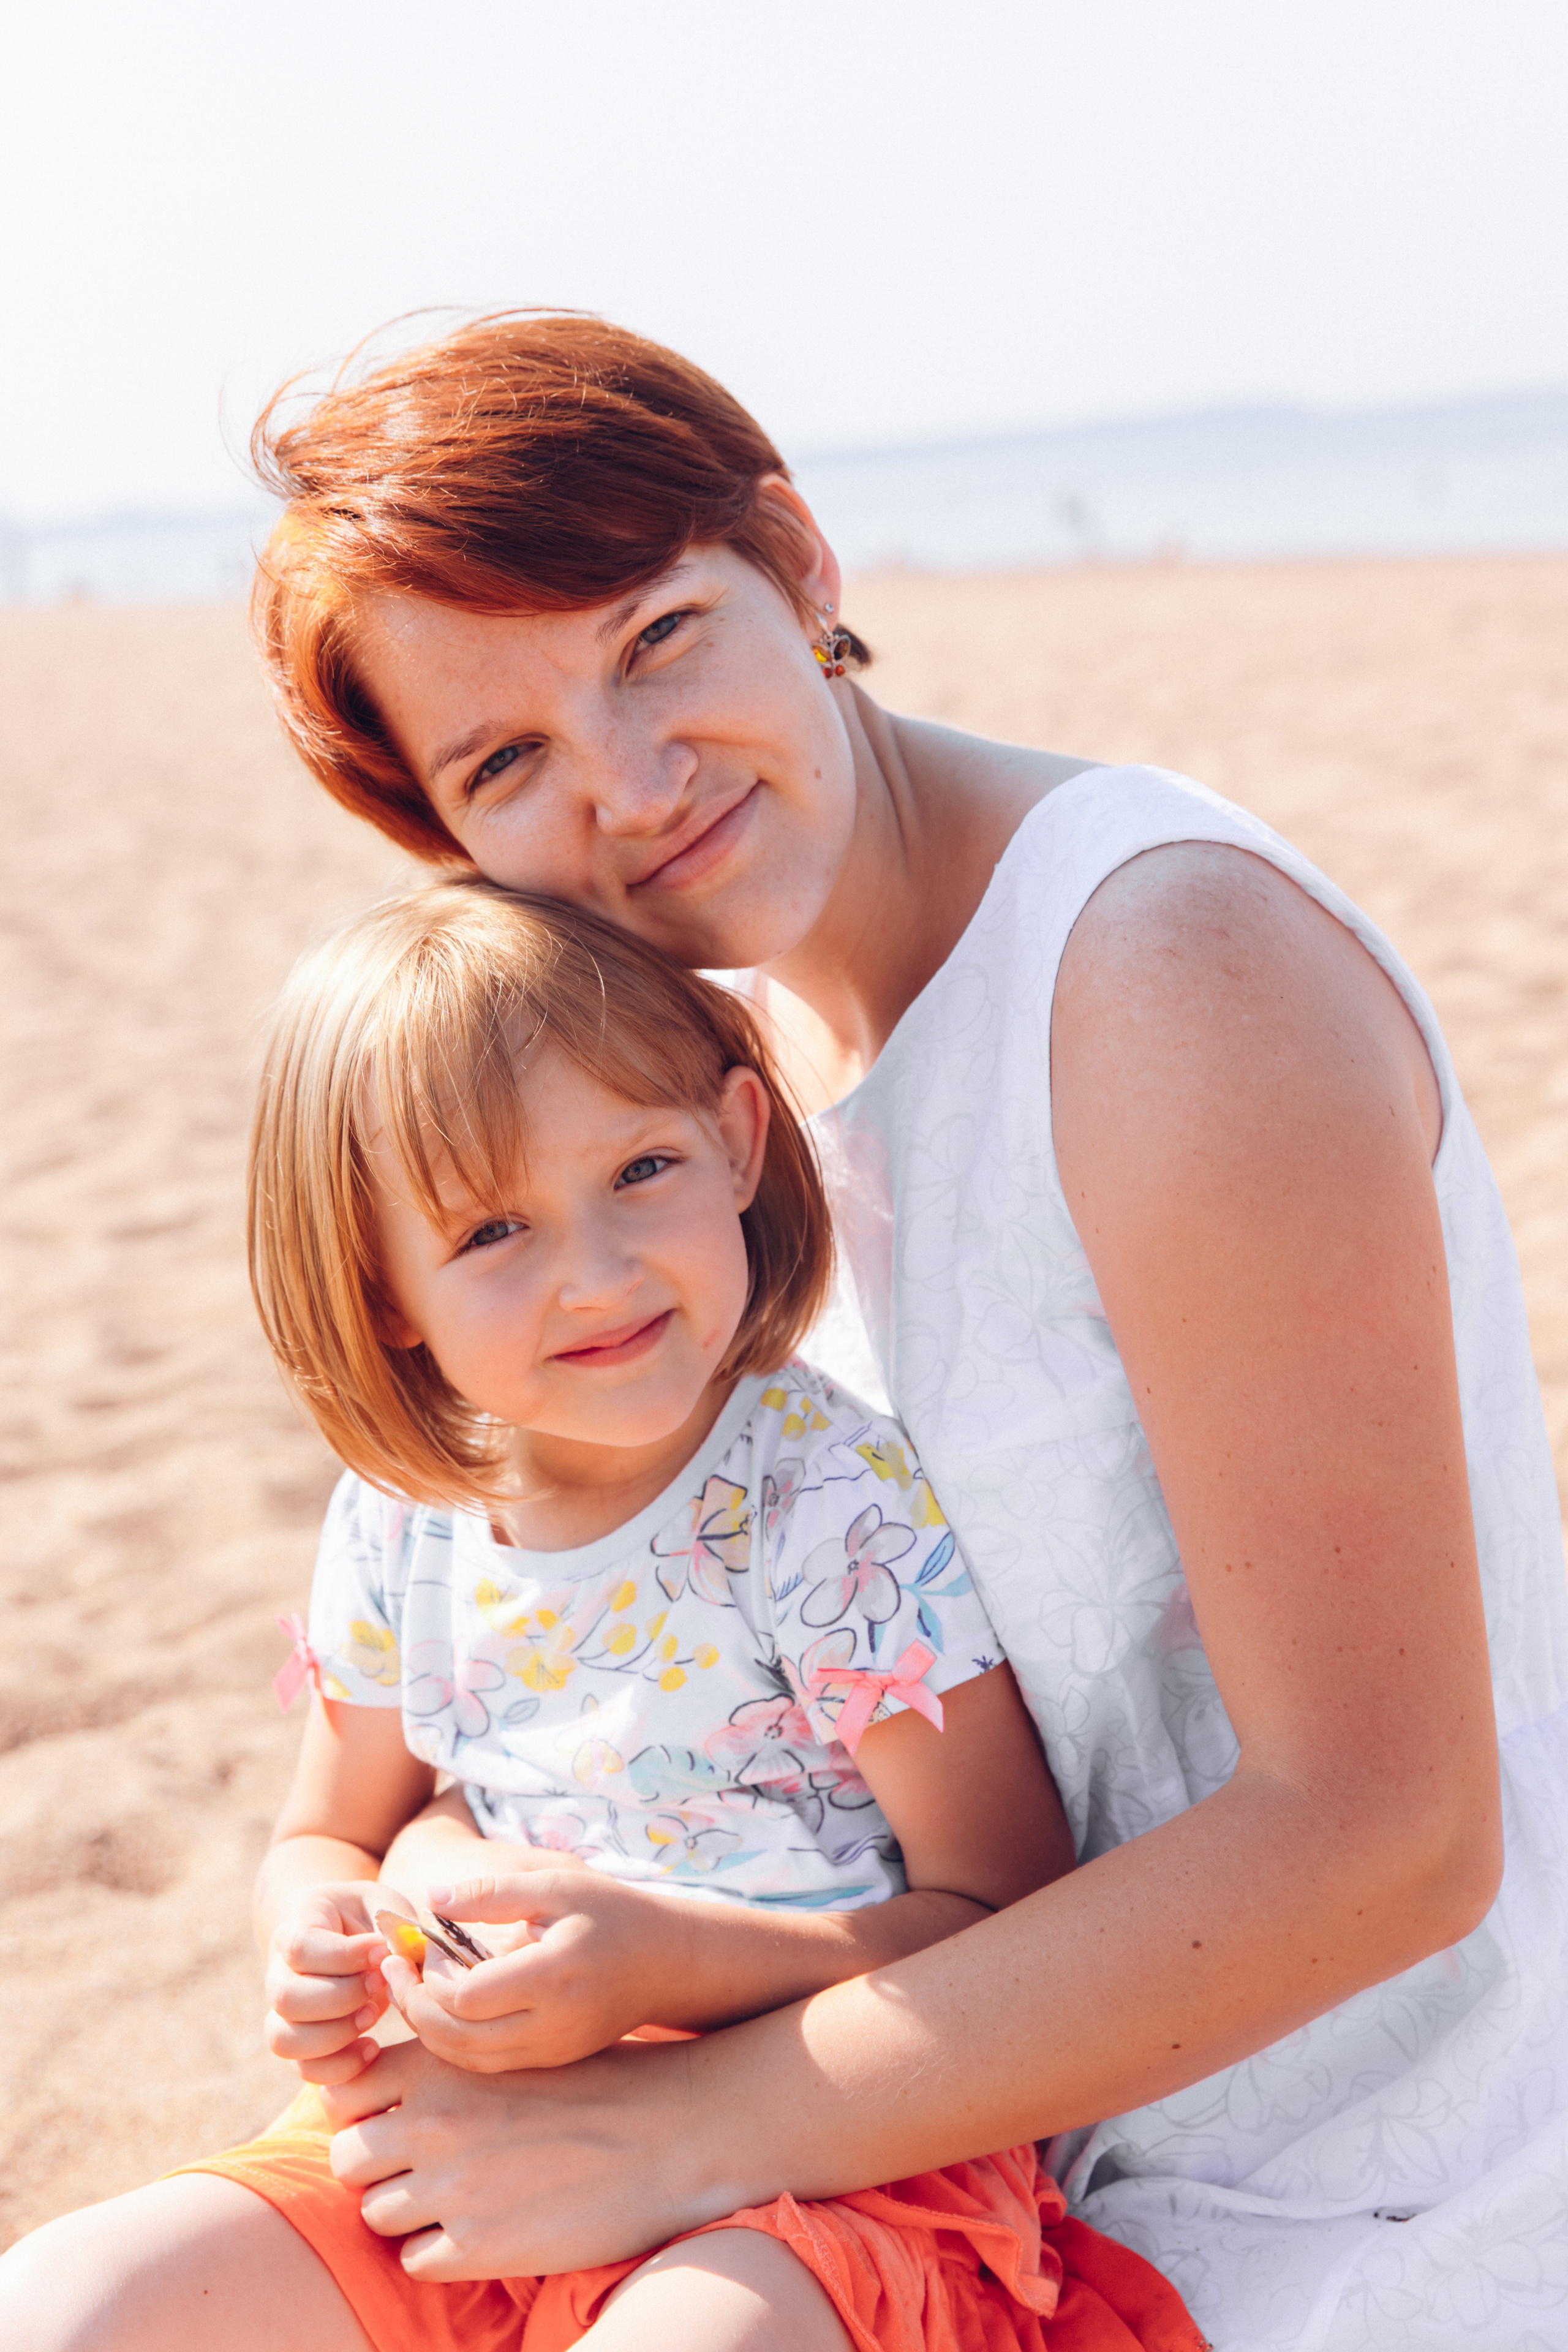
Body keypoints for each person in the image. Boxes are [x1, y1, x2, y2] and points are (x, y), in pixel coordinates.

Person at [3, 312, 1566, 2350]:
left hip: (1313, 2183)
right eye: (507, 763)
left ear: (801, 567)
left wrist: (690, 2117)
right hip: (843, 2115)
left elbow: (1389, 1840)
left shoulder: (1163, 972)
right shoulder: (684, 1107)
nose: (632, 788)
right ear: (453, 852)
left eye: (655, 639)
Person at [215, 878, 1205, 2350]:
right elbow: (334, 1829)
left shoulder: (822, 1503)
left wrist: (663, 1965)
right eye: (490, 1233)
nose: (597, 1272)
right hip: (475, 2131)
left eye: (639, 1169)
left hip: (832, 2161)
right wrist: (323, 1935)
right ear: (386, 1293)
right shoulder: (398, 1517)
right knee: (69, 2301)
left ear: (739, 1142)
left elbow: (1000, 1916)